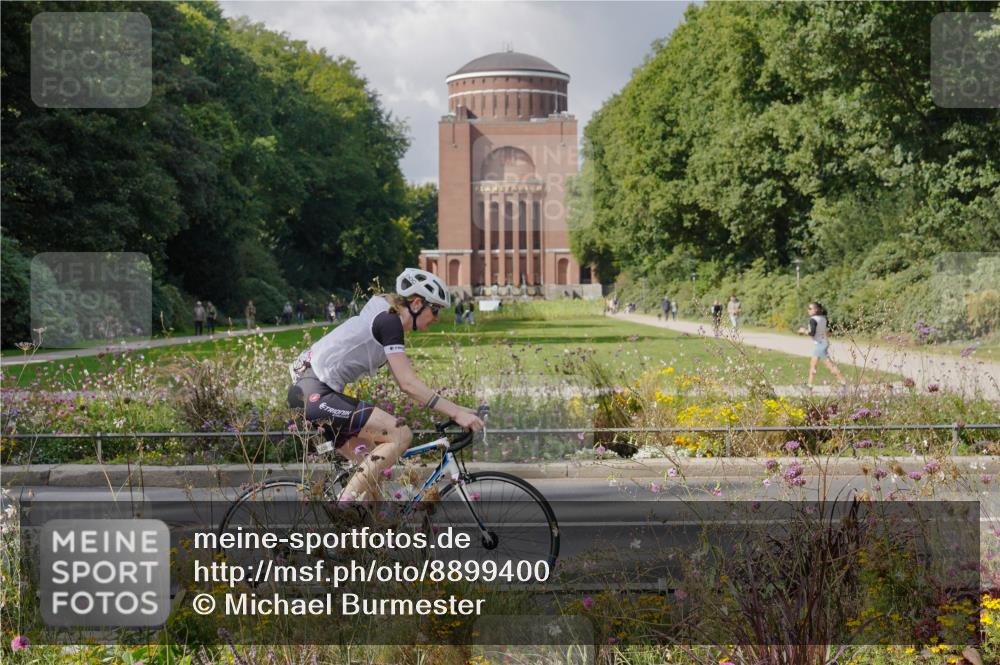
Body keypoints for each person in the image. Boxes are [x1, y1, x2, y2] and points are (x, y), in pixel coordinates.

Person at [286, 268, 485, 503]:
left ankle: (361, 532)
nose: (437, 317)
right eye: (435, 309)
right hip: (315, 392)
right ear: (417, 303)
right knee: (400, 434)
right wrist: (457, 412)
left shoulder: (388, 319)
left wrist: (459, 410)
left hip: (312, 391)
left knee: (374, 473)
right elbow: (408, 383)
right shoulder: (389, 322)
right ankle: (343, 505)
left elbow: (408, 382)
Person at [797, 301, 847, 388]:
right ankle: (809, 384)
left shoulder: (813, 320)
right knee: (813, 364)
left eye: (810, 308)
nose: (808, 310)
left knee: (829, 365)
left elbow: (812, 333)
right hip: (823, 343)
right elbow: (827, 331)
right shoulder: (823, 318)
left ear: (816, 309)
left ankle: (843, 381)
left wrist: (803, 331)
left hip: (820, 345)